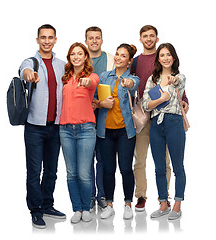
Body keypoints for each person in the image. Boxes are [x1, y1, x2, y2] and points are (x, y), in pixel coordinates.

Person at [131, 25, 189, 212]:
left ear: (156, 38)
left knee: (167, 163)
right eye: (145, 36)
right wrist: (159, 99)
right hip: (145, 118)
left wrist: (181, 96)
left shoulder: (177, 75)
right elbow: (144, 98)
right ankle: (142, 196)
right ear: (140, 39)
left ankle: (169, 200)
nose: (148, 39)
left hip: (169, 122)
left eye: (152, 36)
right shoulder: (138, 63)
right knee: (141, 160)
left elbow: (179, 83)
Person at [20, 24, 66, 229]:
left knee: (51, 170)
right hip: (35, 127)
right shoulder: (31, 62)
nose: (47, 41)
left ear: (55, 40)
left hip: (55, 126)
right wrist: (29, 74)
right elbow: (24, 70)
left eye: (50, 37)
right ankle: (36, 210)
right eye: (43, 37)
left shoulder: (61, 64)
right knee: (34, 170)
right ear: (37, 40)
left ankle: (48, 205)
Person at [142, 43, 186, 220]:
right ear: (158, 59)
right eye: (162, 55)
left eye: (169, 55)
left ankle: (177, 204)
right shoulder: (152, 80)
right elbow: (145, 104)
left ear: (173, 57)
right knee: (159, 167)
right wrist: (161, 98)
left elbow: (178, 82)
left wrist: (172, 81)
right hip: (156, 126)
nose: (166, 58)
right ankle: (163, 203)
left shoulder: (180, 77)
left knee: (178, 167)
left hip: (174, 123)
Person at [96, 44, 140, 220]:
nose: (118, 58)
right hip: (105, 131)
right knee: (108, 169)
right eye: (117, 54)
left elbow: (133, 86)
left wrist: (128, 83)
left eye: (123, 56)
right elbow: (94, 100)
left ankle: (128, 203)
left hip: (125, 132)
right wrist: (100, 103)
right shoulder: (104, 76)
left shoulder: (133, 79)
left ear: (129, 61)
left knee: (125, 168)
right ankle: (109, 205)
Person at [59, 42, 99, 224]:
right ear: (69, 58)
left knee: (84, 173)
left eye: (79, 54)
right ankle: (76, 208)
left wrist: (86, 81)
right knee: (71, 173)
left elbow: (93, 83)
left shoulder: (92, 76)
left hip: (86, 130)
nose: (76, 57)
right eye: (72, 54)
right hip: (65, 129)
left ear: (85, 57)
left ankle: (86, 208)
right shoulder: (65, 78)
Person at [85, 26, 115, 212]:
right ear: (86, 41)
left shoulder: (111, 59)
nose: (94, 41)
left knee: (103, 158)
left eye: (97, 38)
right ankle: (89, 196)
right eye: (91, 38)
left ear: (102, 40)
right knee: (87, 158)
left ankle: (102, 196)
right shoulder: (79, 58)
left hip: (105, 114)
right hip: (85, 115)